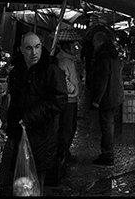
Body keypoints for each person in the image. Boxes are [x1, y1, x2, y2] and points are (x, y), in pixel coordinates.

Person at [0, 32, 67, 196]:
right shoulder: (16, 72)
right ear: (21, 49)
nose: (34, 53)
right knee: (10, 184)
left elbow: (58, 101)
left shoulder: (51, 71)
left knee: (32, 186)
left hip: (40, 138)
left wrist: (29, 118)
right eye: (29, 48)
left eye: (37, 47)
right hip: (15, 135)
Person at [47, 36, 81, 186]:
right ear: (67, 47)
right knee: (66, 129)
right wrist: (72, 89)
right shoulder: (63, 61)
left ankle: (63, 157)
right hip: (67, 101)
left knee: (69, 128)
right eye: (74, 45)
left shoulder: (69, 60)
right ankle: (60, 160)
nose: (76, 47)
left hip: (71, 100)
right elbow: (63, 80)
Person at [89, 30, 124, 165]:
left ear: (99, 41)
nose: (93, 45)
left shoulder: (103, 56)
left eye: (94, 42)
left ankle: (108, 155)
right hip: (115, 93)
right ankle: (108, 153)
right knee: (109, 124)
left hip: (108, 95)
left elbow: (102, 79)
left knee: (107, 126)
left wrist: (96, 100)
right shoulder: (113, 54)